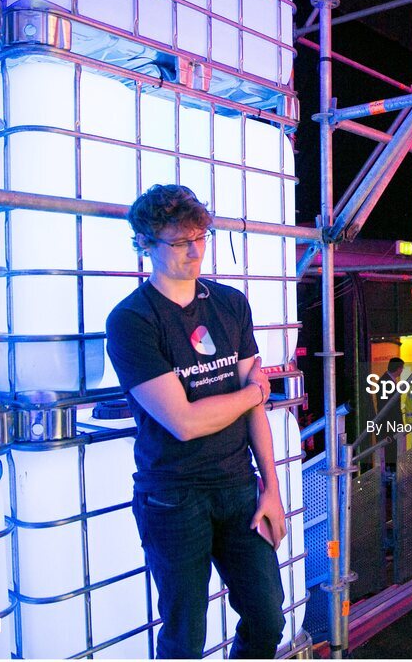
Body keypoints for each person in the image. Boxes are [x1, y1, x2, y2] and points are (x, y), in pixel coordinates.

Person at [105, 184, 286, 659]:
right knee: (185, 636)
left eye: (201, 237)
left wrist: (271, 488)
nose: (195, 251)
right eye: (180, 241)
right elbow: (184, 421)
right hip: (173, 494)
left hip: (238, 485)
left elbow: (254, 412)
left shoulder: (230, 303)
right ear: (145, 244)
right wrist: (254, 391)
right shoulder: (131, 320)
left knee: (268, 617)